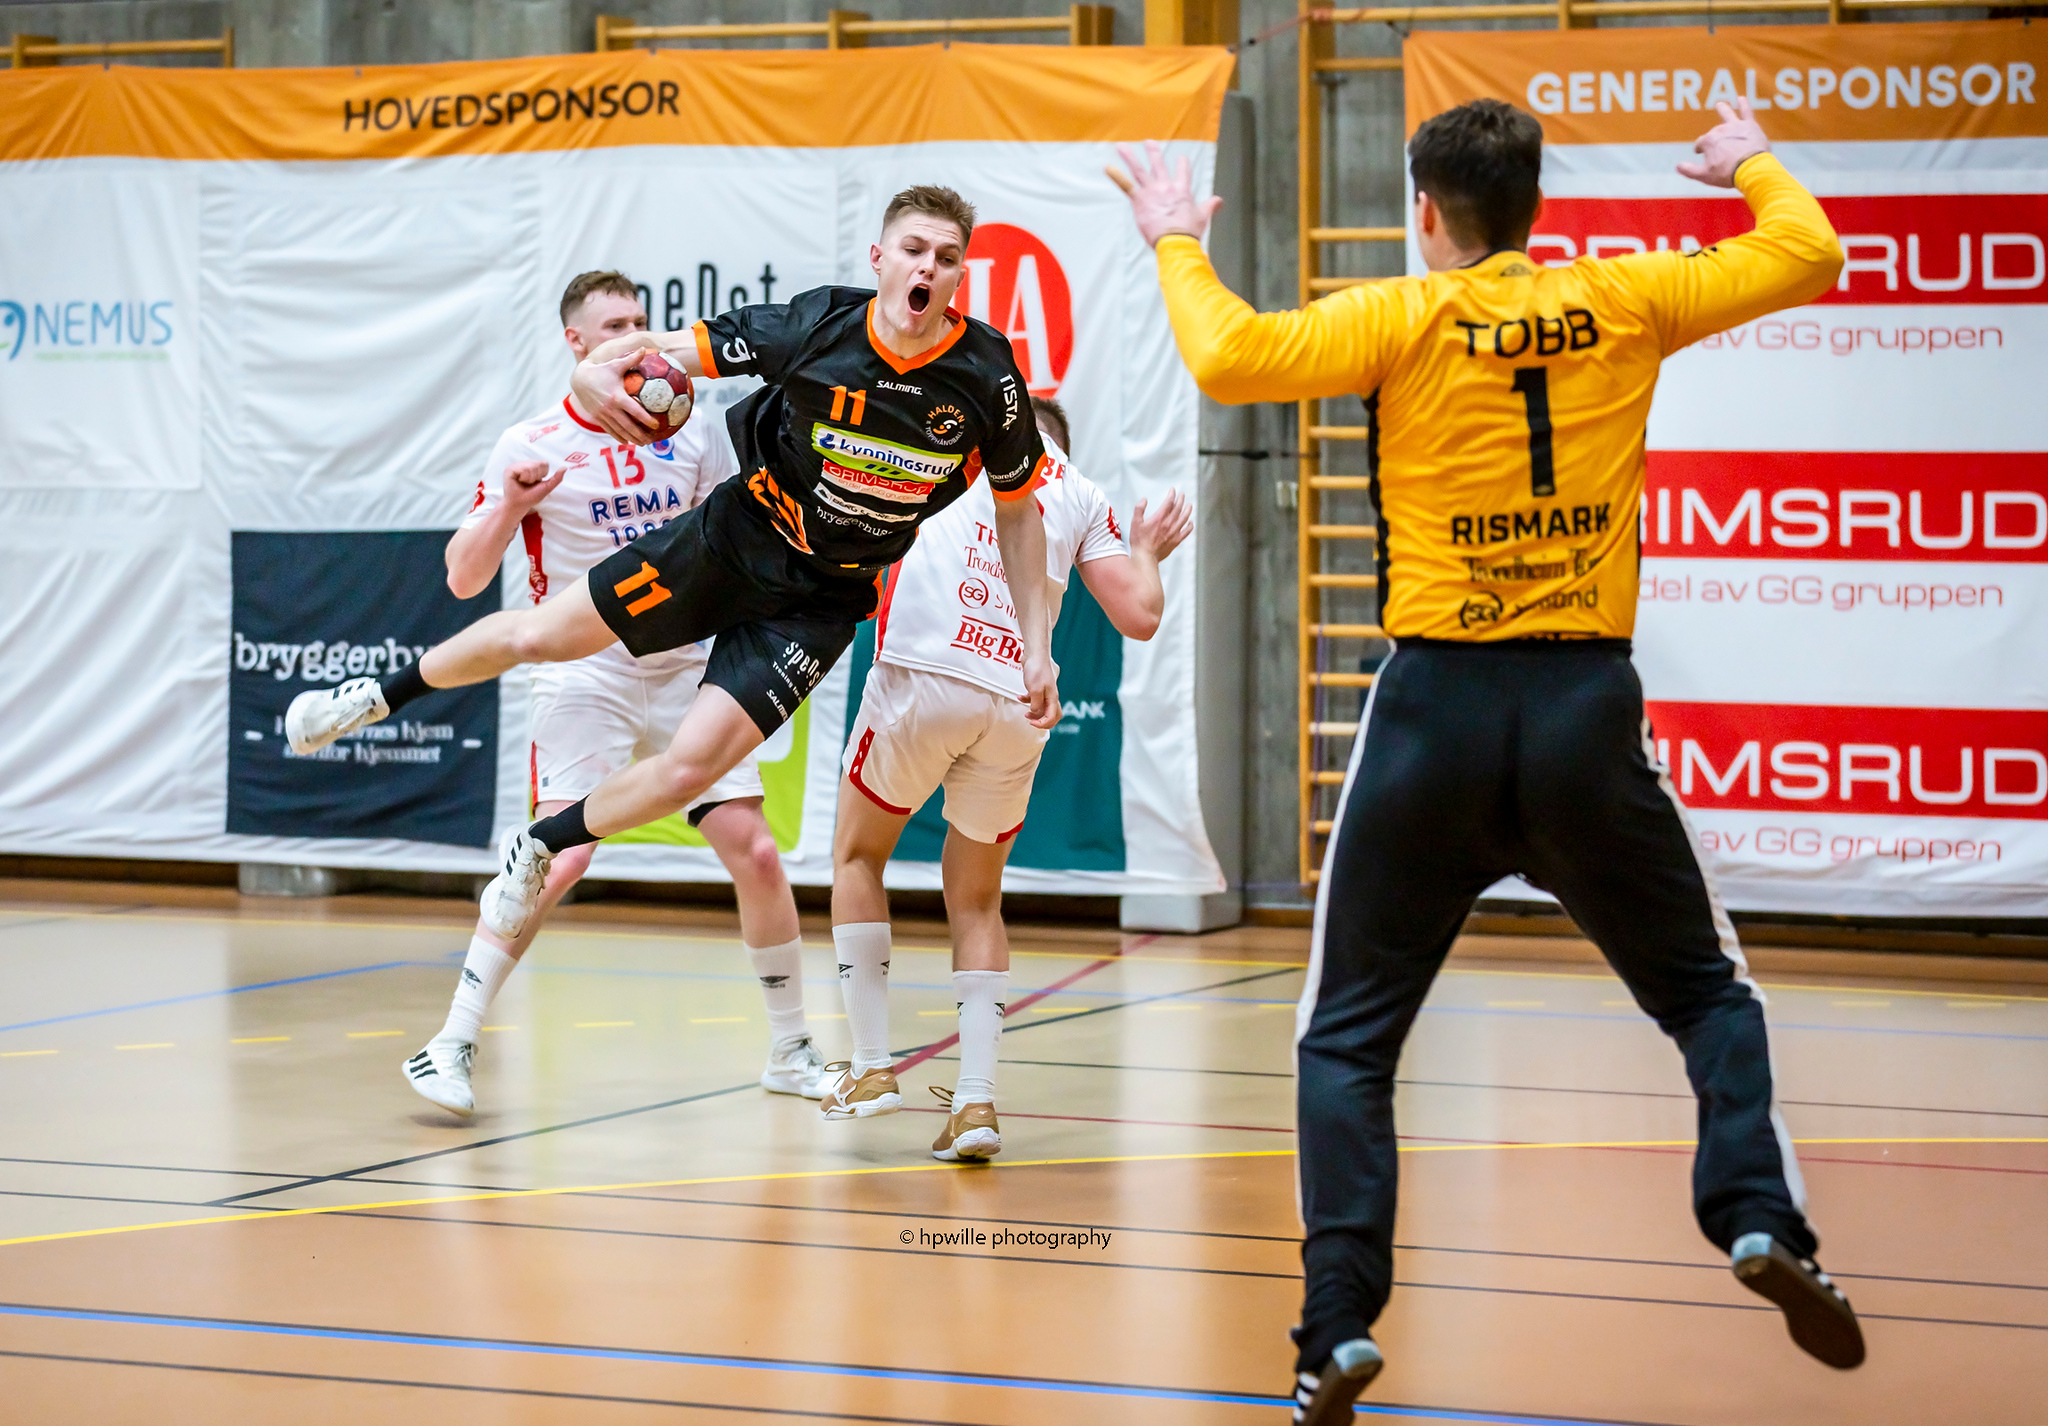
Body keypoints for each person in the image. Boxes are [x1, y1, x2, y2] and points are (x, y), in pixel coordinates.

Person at [1111, 97, 1861, 1421]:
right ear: (1535, 209)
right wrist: (1746, 158)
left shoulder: (1396, 317)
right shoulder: (1623, 299)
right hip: (1582, 708)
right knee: (1707, 996)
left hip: (1431, 716)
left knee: (1346, 1041)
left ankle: (1336, 1328)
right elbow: (1810, 254)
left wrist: (1175, 234)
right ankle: (1758, 1217)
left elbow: (1224, 354)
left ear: (1424, 213)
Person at [285, 185, 1057, 954]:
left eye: (946, 258)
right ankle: (371, 699)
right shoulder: (814, 326)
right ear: (880, 258)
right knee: (543, 636)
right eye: (914, 250)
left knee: (691, 771)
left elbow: (1019, 512)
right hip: (742, 539)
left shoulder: (986, 375)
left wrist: (1035, 647)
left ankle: (542, 842)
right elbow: (649, 353)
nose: (927, 267)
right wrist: (587, 379)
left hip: (823, 600)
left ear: (959, 275)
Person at [401, 270, 826, 1117]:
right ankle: (449, 1041)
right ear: (576, 343)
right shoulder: (531, 441)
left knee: (755, 849)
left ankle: (791, 1047)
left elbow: (728, 539)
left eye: (641, 321)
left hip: (680, 660)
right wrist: (507, 508)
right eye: (614, 325)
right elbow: (462, 578)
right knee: (561, 857)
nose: (634, 337)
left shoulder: (691, 425)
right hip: (583, 669)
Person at [822, 396, 1193, 1159]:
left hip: (926, 673)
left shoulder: (954, 443)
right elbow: (1141, 617)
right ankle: (976, 1103)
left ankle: (870, 1068)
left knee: (857, 857)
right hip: (1020, 697)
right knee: (978, 898)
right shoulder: (1081, 494)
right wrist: (1148, 549)